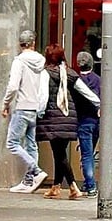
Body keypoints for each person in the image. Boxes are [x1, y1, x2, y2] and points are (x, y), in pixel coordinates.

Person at [36, 44, 99, 200]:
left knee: (59, 154)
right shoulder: (70, 73)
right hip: (69, 118)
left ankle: (73, 187)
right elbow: (86, 92)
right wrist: (99, 104)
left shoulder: (46, 73)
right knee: (59, 153)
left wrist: (39, 113)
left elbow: (43, 97)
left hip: (53, 118)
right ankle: (56, 187)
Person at [1, 29, 49, 193]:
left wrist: (6, 103)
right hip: (34, 108)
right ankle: (29, 181)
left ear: (20, 44)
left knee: (12, 143)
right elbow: (43, 87)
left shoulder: (19, 61)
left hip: (22, 107)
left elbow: (13, 86)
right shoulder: (42, 61)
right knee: (31, 145)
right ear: (33, 43)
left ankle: (36, 171)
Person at [75, 51, 101, 197]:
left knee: (86, 154)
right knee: (89, 154)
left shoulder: (77, 82)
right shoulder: (99, 80)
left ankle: (90, 185)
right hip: (96, 122)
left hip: (83, 122)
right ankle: (87, 183)